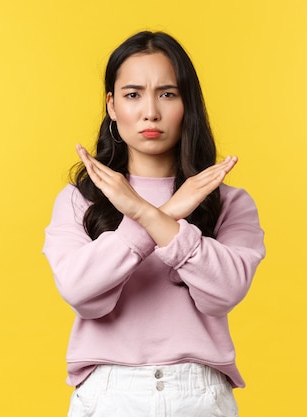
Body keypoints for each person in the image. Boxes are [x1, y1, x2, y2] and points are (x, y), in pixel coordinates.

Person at [43, 31, 266, 417]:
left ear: (187, 104)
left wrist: (148, 213)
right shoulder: (81, 200)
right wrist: (163, 215)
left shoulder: (230, 202)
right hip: (108, 392)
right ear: (111, 106)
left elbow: (225, 292)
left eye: (167, 93)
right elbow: (80, 292)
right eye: (132, 95)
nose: (150, 112)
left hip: (198, 393)